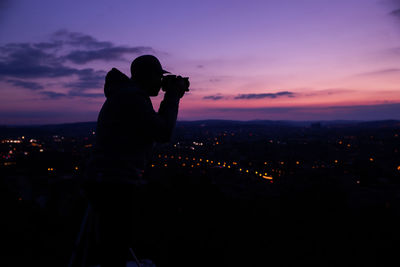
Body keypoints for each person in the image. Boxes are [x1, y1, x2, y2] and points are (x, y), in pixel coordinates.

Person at [83, 55, 188, 267]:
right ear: (147, 76)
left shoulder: (126, 96)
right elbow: (163, 132)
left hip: (106, 179)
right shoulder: (132, 98)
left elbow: (148, 132)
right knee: (115, 249)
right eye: (159, 76)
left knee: (111, 244)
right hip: (113, 182)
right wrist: (173, 95)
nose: (161, 82)